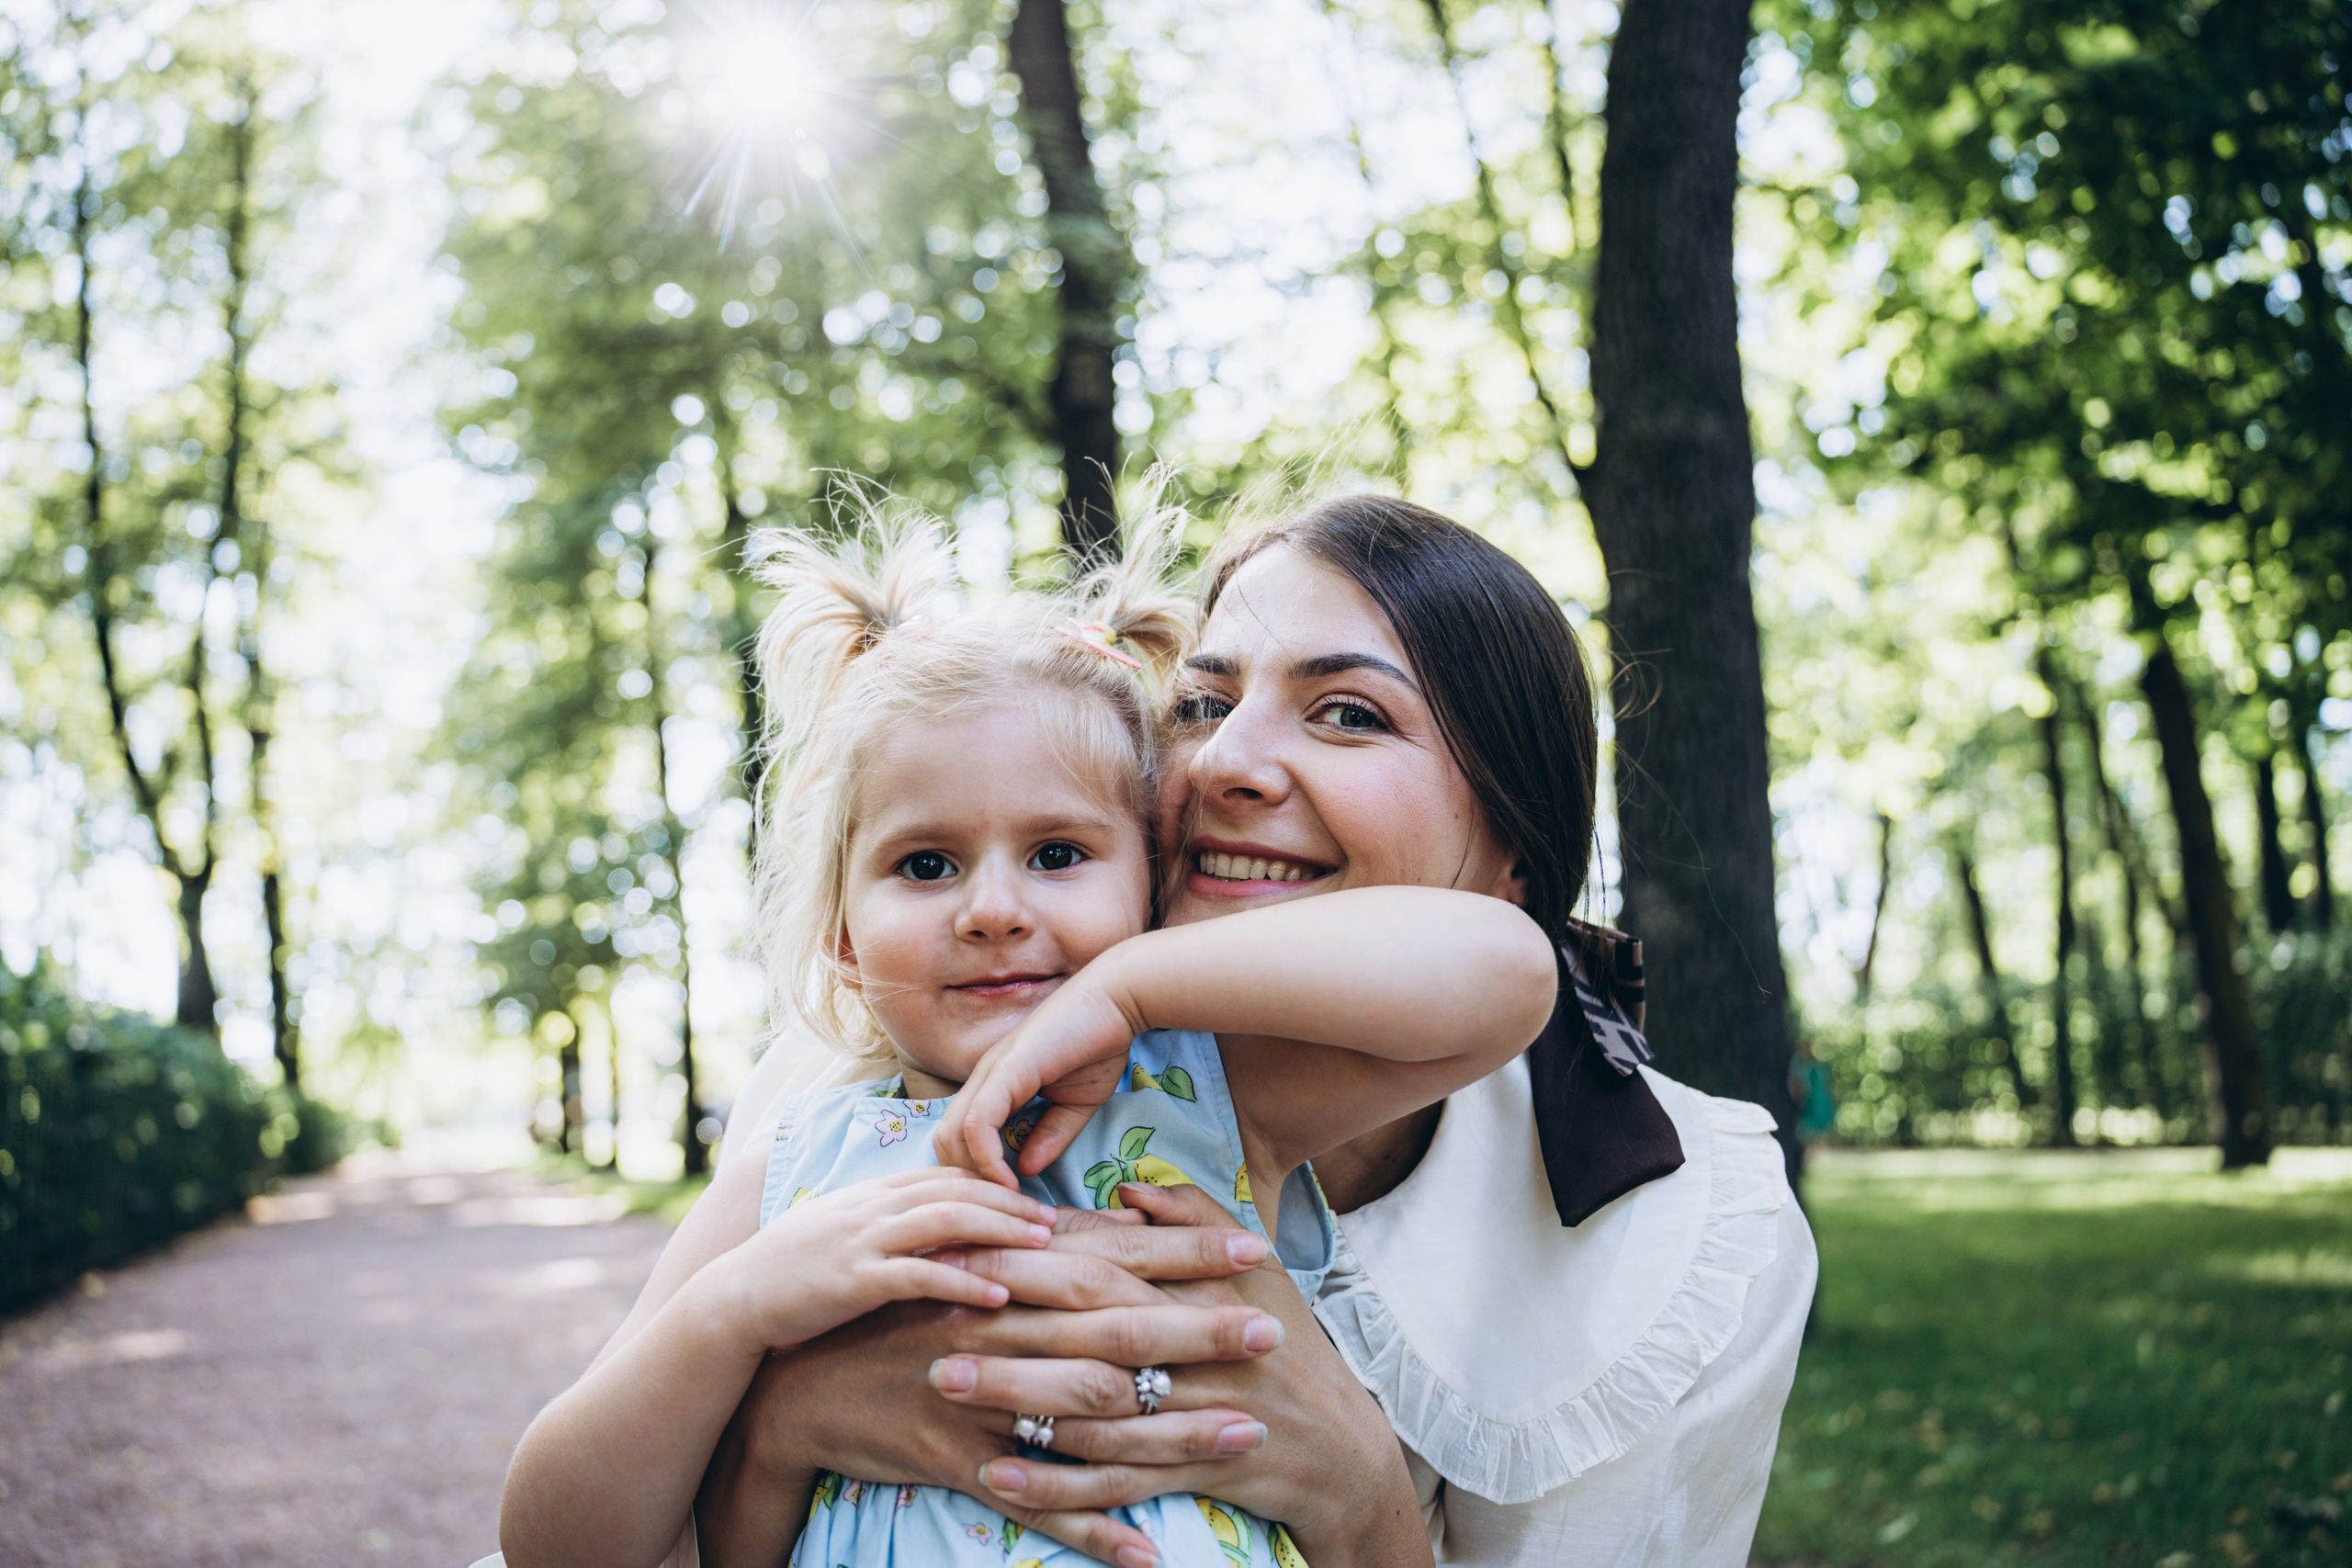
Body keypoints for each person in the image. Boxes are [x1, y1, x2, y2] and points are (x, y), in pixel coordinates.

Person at [676, 494, 1817, 1568]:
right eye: (1202, 705)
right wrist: (782, 1424)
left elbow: (1505, 977)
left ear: (1518, 851)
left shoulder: (1686, 1230)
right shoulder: (875, 1084)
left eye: (1349, 714)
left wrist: (1359, 1494)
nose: (1222, 761)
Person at [492, 509, 1559, 1568]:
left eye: (1057, 853)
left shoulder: (1211, 1089)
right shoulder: (794, 1170)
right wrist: (726, 1317)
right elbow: (554, 1547)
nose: (991, 910)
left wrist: (1129, 991)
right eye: (924, 865)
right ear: (841, 936)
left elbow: (1507, 973)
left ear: (1153, 876)